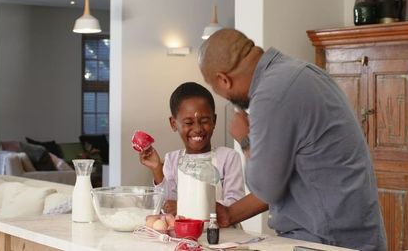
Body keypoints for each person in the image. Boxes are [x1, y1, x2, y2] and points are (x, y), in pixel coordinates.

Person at [198, 29, 387, 251]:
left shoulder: (271, 94)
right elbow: (284, 178)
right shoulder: (295, 73)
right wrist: (229, 214)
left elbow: (266, 187)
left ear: (224, 80)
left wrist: (246, 140)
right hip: (351, 236)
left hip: (328, 242)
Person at [138, 82, 245, 215]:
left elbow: (234, 204)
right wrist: (156, 169)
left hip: (224, 233)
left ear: (214, 121)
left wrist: (185, 207)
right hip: (186, 234)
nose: (198, 129)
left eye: (205, 121)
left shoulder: (228, 157)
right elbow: (168, 205)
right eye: (188, 123)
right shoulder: (172, 159)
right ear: (173, 123)